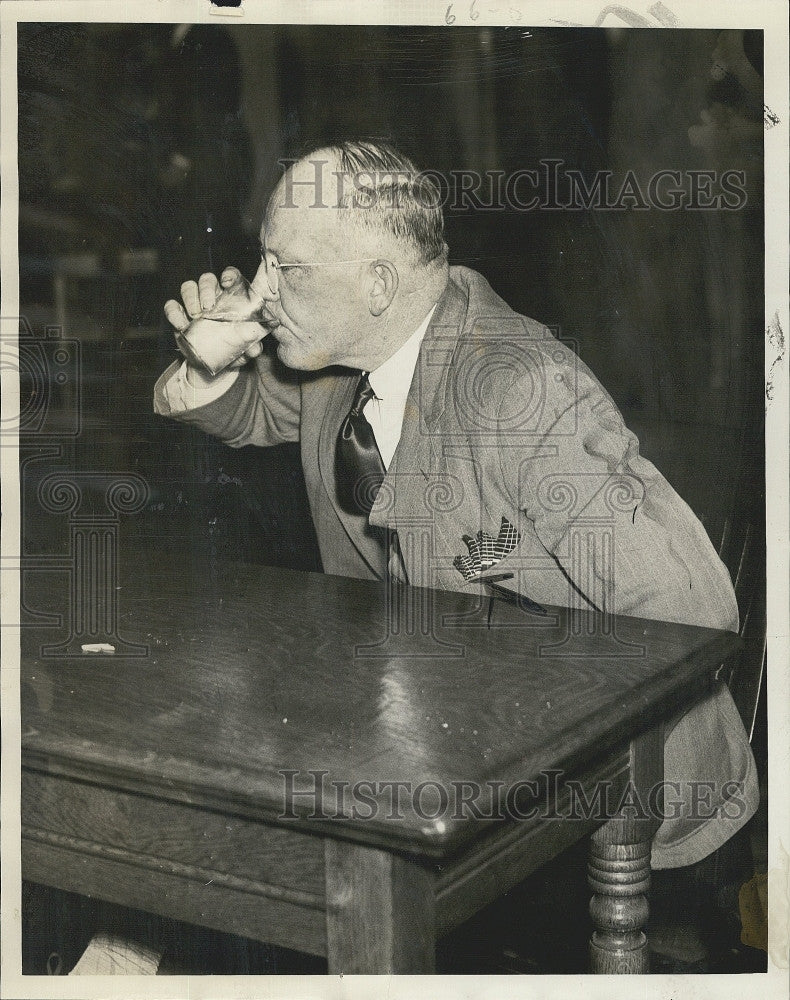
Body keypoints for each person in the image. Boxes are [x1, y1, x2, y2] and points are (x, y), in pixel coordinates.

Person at [154, 140, 757, 869]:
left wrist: (488, 701)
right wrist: (204, 360)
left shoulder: (520, 391)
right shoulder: (340, 359)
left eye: (286, 269)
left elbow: (693, 608)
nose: (258, 290)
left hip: (616, 808)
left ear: (377, 284)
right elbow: (252, 413)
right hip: (426, 753)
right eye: (262, 262)